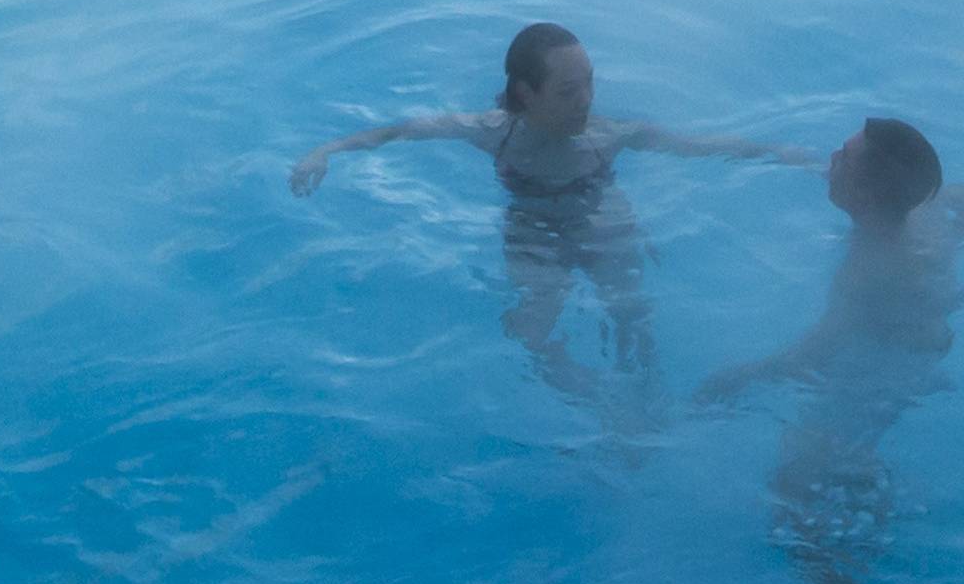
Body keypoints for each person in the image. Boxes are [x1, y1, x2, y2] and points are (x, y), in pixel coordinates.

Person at [289, 21, 817, 403]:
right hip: (532, 230)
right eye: (568, 90)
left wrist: (779, 154)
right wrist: (325, 152)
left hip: (599, 216)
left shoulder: (607, 137)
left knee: (631, 311)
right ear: (525, 93)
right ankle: (596, 404)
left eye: (590, 83)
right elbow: (399, 131)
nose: (586, 100)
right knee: (530, 333)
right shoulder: (494, 133)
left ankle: (645, 402)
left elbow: (697, 145)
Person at [700, 115, 964, 584]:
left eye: (842, 158)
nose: (829, 160)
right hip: (904, 370)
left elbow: (814, 354)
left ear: (865, 192)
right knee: (854, 485)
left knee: (802, 516)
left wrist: (738, 377)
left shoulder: (871, 269)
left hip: (867, 383)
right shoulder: (926, 219)